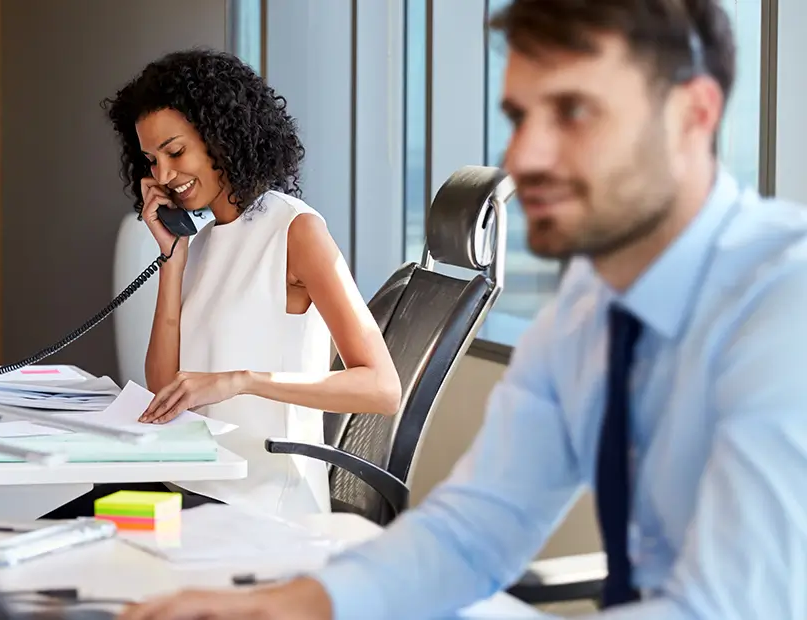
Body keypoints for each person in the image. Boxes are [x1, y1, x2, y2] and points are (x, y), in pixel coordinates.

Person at [119, 1, 807, 619]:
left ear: (694, 115)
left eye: (572, 111)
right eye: (517, 117)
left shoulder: (783, 305)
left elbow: (732, 602)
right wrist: (293, 605)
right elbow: (473, 532)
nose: (523, 155)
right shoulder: (585, 317)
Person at [42, 49, 401, 519]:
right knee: (35, 543)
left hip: (260, 502)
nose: (164, 175)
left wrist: (242, 382)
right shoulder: (205, 239)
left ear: (222, 138)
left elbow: (381, 388)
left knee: (67, 555)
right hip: (187, 486)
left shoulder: (296, 230)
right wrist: (172, 256)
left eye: (175, 151)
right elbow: (164, 387)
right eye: (151, 159)